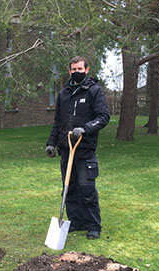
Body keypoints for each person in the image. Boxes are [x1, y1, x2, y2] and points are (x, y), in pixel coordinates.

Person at [45, 56, 110, 240]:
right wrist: (51, 143)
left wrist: (85, 129)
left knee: (86, 187)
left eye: (80, 69)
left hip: (85, 149)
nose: (77, 72)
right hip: (66, 149)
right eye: (74, 69)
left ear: (87, 70)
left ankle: (93, 225)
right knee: (69, 188)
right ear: (69, 71)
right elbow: (58, 122)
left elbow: (103, 117)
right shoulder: (64, 93)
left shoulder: (94, 91)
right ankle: (75, 221)